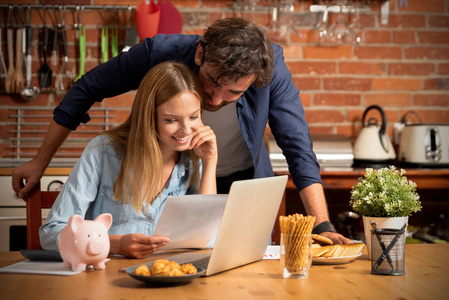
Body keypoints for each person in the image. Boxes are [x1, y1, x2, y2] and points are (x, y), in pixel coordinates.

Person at [14, 17, 351, 245]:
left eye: (234, 93)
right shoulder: (160, 54)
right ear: (200, 54)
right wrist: (40, 161)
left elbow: (298, 148)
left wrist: (321, 223)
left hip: (236, 176)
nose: (216, 100)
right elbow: (86, 88)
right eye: (213, 82)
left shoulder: (270, 69)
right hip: (180, 169)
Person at [39, 61, 218, 258]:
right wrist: (114, 244)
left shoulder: (193, 160)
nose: (186, 130)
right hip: (104, 280)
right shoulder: (103, 152)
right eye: (171, 120)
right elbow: (51, 233)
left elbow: (207, 240)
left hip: (165, 279)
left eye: (193, 117)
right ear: (149, 117)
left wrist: (210, 162)